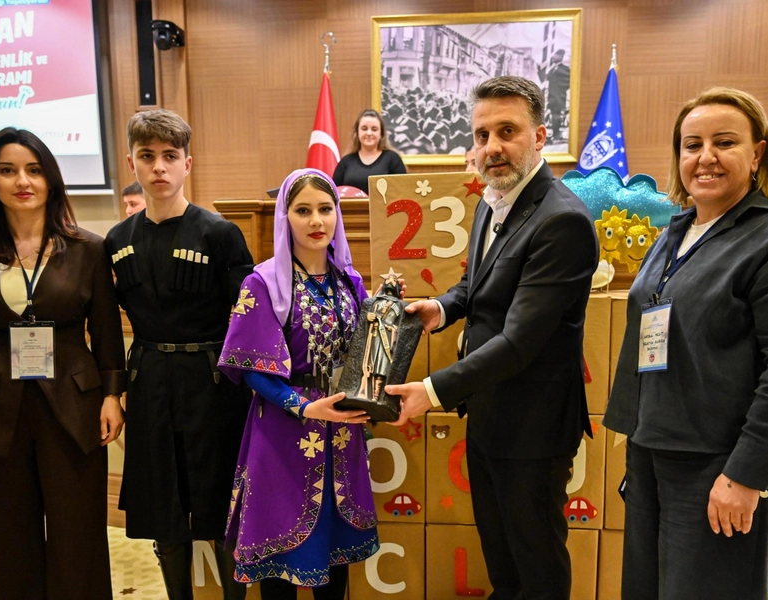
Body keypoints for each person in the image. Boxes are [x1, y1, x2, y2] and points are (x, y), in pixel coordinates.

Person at [603, 87, 768, 600]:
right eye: (692, 145)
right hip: (653, 454)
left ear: (757, 154)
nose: (705, 157)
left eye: (724, 142)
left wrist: (746, 476)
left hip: (721, 466)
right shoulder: (677, 231)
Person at [389, 75, 599, 600]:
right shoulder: (492, 200)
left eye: (508, 131)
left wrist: (431, 391)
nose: (492, 147)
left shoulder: (562, 221)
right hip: (489, 413)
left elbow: (520, 341)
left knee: (536, 566)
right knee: (502, 561)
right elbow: (480, 284)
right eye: (482, 135)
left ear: (539, 136)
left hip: (533, 428)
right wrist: (442, 307)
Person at [0, 127, 126, 598]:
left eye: (34, 170)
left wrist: (112, 395)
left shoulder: (88, 248)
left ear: (51, 180)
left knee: (78, 536)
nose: (22, 181)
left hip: (73, 406)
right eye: (7, 170)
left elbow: (106, 332)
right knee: (3, 539)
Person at [105, 109, 253, 600]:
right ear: (132, 162)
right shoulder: (117, 240)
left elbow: (250, 320)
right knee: (163, 512)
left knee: (222, 508)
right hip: (149, 383)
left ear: (188, 163)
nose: (159, 167)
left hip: (212, 384)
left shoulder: (219, 233)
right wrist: (113, 392)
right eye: (147, 156)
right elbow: (105, 322)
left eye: (170, 156)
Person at [218, 168, 378, 600]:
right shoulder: (262, 282)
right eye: (303, 210)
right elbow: (252, 368)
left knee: (335, 556)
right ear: (284, 217)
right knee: (280, 560)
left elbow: (369, 351)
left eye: (325, 209)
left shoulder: (350, 281)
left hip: (341, 430)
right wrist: (304, 406)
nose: (316, 221)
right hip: (283, 432)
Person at [332, 109, 406, 194]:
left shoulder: (393, 159)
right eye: (364, 129)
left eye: (374, 129)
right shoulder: (346, 162)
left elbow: (403, 191)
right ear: (357, 132)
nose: (369, 133)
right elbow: (333, 194)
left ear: (381, 134)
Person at [541, 49, 570, 143]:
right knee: (553, 116)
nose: (553, 57)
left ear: (561, 56)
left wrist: (560, 91)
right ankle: (555, 135)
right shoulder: (552, 68)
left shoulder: (565, 69)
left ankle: (556, 136)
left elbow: (568, 83)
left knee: (556, 116)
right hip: (551, 97)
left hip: (559, 97)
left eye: (556, 55)